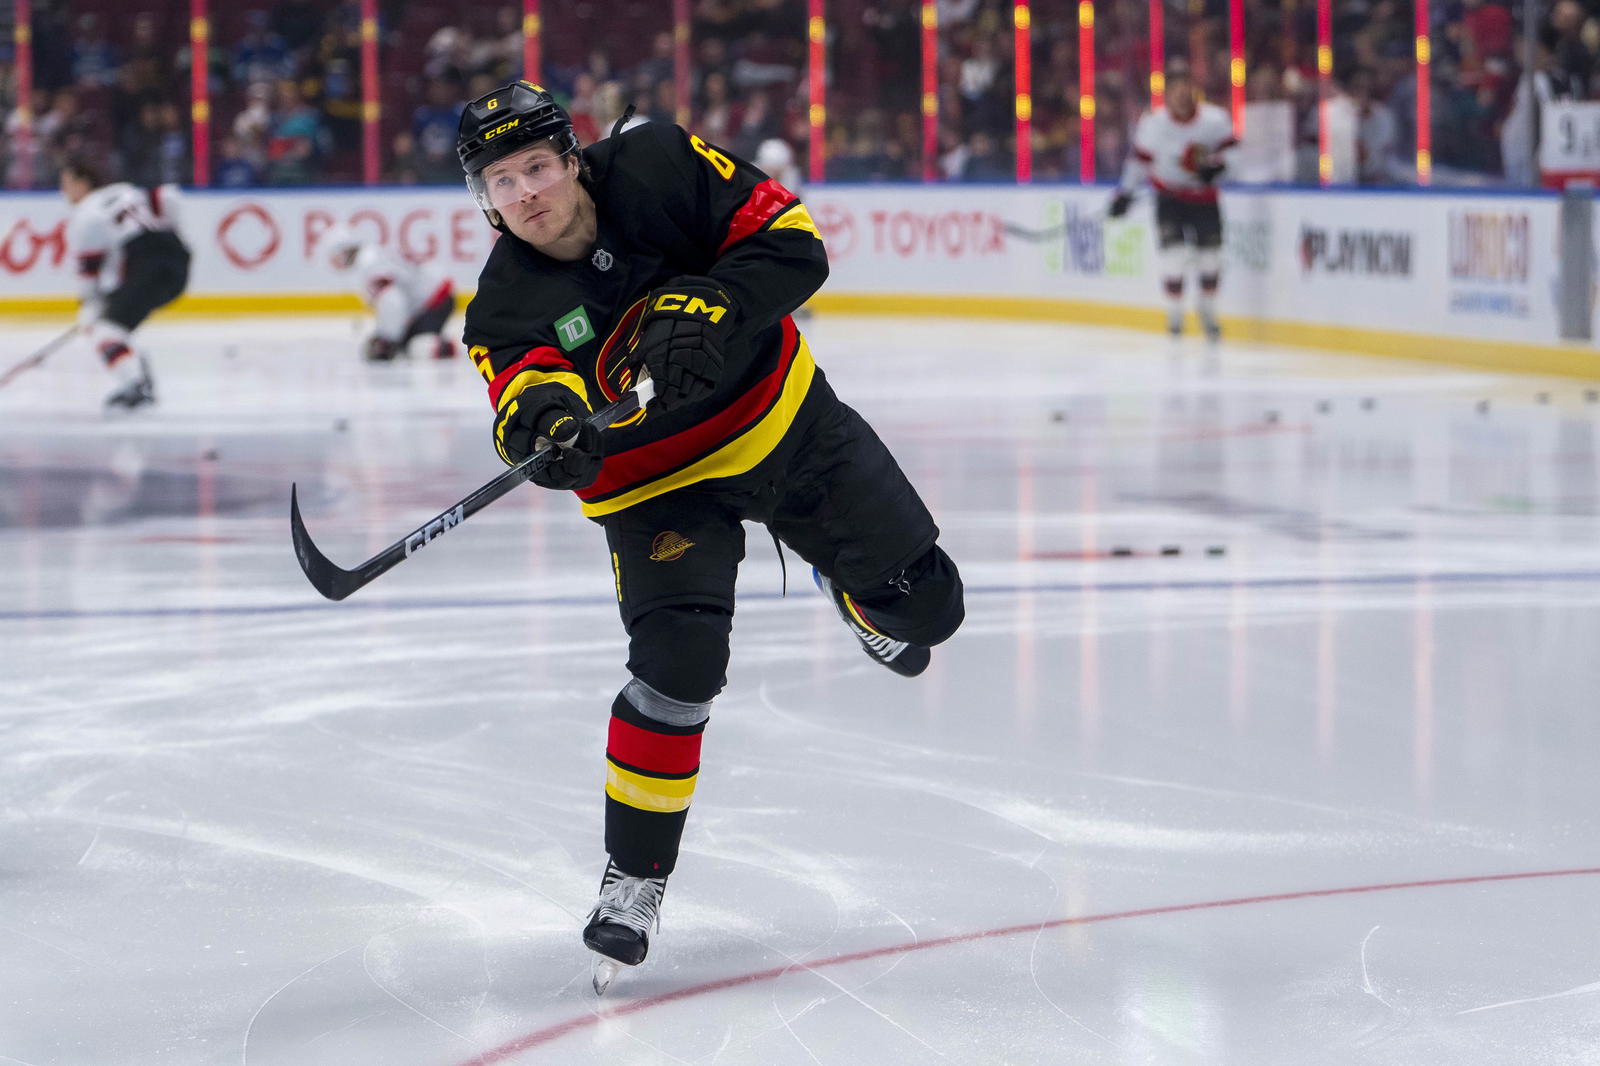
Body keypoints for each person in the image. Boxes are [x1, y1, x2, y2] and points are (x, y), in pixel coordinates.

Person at [456, 82, 964, 991]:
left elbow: (797, 247)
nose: (526, 192)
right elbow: (520, 398)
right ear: (483, 200)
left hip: (786, 426)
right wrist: (549, 433)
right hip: (654, 494)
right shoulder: (502, 307)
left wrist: (714, 301)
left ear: (573, 159)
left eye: (537, 165)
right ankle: (632, 882)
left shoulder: (661, 164)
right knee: (677, 668)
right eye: (502, 181)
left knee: (930, 611)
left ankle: (849, 588)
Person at [1108, 70, 1236, 342]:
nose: (1181, 95)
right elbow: (1139, 161)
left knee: (1211, 258)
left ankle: (1208, 312)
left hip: (1204, 199)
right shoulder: (1153, 124)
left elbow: (1234, 155)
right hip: (1169, 199)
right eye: (1175, 90)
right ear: (1166, 95)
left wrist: (1218, 169)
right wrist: (1124, 194)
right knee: (1174, 258)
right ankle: (1175, 316)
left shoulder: (1215, 120)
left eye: (1186, 88)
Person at [61, 156, 191, 409]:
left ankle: (135, 385)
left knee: (105, 331)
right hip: (178, 259)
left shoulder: (85, 215)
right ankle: (138, 373)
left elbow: (89, 274)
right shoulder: (124, 190)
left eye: (66, 183)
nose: (63, 191)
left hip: (146, 264)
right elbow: (168, 197)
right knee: (118, 325)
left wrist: (89, 309)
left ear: (83, 183)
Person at [321, 226, 458, 361]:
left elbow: (392, 299)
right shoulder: (370, 256)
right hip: (431, 298)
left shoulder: (368, 265)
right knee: (405, 345)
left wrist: (388, 338)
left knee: (415, 346)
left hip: (435, 299)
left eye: (333, 257)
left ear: (343, 251)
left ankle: (450, 348)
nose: (333, 264)